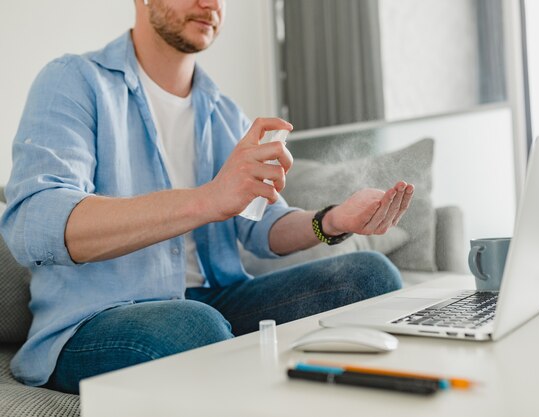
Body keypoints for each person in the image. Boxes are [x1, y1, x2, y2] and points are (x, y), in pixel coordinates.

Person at [0, 0, 415, 394]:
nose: (211, 3)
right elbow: (36, 224)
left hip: (213, 303)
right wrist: (208, 199)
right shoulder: (74, 80)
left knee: (370, 276)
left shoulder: (222, 112)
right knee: (196, 329)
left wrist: (331, 222)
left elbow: (261, 227)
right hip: (95, 321)